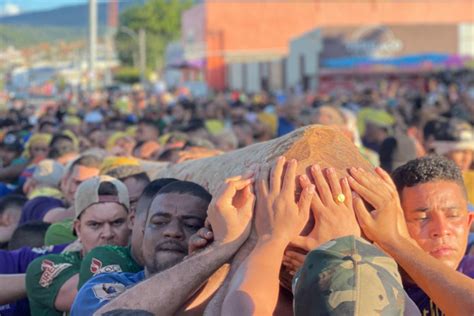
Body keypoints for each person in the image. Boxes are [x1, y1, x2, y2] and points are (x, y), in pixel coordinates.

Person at [71, 178, 254, 315]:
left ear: (209, 232)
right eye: (159, 222)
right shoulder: (104, 286)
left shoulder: (229, 291)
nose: (172, 232)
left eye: (190, 224)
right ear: (142, 231)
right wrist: (220, 249)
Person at [348, 155, 474, 315]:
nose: (441, 230)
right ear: (394, 222)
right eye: (422, 218)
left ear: (468, 222)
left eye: (453, 215)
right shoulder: (375, 285)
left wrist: (396, 242)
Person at [26, 176, 132, 315]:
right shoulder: (46, 266)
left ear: (131, 223)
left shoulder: (142, 261)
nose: (107, 233)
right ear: (78, 229)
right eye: (95, 225)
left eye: (117, 222)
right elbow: (93, 300)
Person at [77, 178, 177, 288]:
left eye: (117, 222)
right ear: (132, 220)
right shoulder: (104, 256)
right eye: (158, 222)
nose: (108, 234)